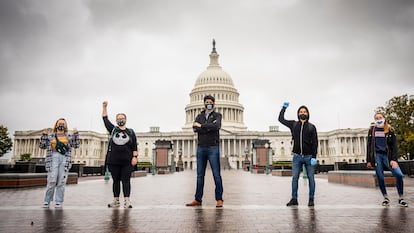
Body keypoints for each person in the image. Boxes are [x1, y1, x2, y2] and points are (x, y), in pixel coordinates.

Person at [186, 95, 224, 208]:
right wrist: (208, 127)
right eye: (207, 102)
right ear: (204, 103)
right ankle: (198, 199)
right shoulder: (199, 115)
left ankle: (219, 199)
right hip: (201, 147)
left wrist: (202, 126)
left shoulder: (218, 115)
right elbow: (194, 128)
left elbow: (216, 126)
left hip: (213, 147)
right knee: (199, 175)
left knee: (216, 175)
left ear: (213, 103)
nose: (209, 103)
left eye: (211, 102)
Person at [278, 102, 318, 207]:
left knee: (311, 179)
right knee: (294, 178)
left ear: (308, 114)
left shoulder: (311, 127)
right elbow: (281, 119)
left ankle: (311, 199)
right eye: (301, 112)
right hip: (297, 156)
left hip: (309, 157)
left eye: (304, 112)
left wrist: (314, 156)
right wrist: (283, 108)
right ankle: (294, 199)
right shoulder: (294, 124)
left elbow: (315, 143)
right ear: (298, 114)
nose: (302, 113)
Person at [366, 112, 408, 207]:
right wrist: (368, 160)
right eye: (376, 118)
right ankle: (385, 197)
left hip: (388, 156)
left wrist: (394, 159)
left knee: (399, 175)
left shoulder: (390, 130)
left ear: (384, 118)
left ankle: (401, 198)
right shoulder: (372, 130)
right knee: (380, 177)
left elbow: (394, 146)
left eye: (380, 117)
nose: (378, 119)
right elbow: (369, 146)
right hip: (377, 156)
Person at [102, 101, 138, 208]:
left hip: (127, 161)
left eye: (122, 118)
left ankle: (127, 201)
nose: (120, 120)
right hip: (114, 160)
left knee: (126, 181)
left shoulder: (130, 132)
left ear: (125, 120)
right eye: (118, 119)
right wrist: (104, 107)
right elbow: (105, 119)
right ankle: (116, 201)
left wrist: (135, 157)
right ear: (116, 121)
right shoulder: (113, 129)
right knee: (116, 181)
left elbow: (134, 145)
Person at [39, 118, 80, 208]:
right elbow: (42, 146)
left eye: (63, 124)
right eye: (60, 123)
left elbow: (76, 145)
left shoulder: (69, 136)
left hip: (65, 158)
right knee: (52, 180)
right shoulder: (51, 136)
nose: (61, 125)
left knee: (61, 181)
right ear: (56, 125)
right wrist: (44, 135)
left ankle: (59, 201)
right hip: (53, 158)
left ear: (65, 126)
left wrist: (76, 134)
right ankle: (47, 200)